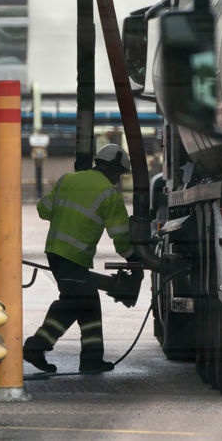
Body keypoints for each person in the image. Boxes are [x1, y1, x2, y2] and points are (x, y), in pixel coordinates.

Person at [22, 144, 136, 373]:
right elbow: (121, 236)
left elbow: (44, 209)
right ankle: (36, 345)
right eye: (119, 174)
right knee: (74, 301)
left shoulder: (67, 180)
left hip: (56, 251)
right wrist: (134, 260)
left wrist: (68, 214)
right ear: (112, 168)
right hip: (73, 256)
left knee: (89, 302)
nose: (118, 180)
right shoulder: (109, 194)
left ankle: (91, 359)